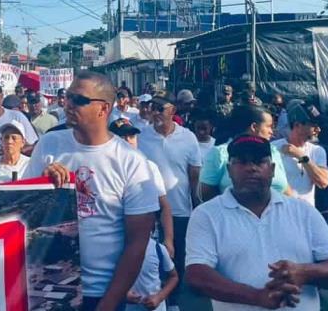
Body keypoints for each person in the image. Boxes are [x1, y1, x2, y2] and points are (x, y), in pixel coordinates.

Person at [24, 71, 160, 311]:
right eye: (67, 97)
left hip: (102, 292)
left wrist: (108, 304)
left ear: (103, 108)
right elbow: (24, 210)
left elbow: (137, 244)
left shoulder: (132, 162)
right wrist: (42, 184)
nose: (68, 104)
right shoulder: (49, 145)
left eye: (79, 100)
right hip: (51, 287)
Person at [185, 135, 328, 310]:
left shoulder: (303, 211)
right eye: (242, 162)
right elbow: (197, 276)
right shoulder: (207, 215)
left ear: (272, 169)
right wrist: (256, 297)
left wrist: (304, 273)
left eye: (259, 161)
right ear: (229, 169)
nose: (251, 168)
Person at [138, 96, 200, 295]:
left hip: (180, 209)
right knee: (152, 260)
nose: (155, 112)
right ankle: (153, 299)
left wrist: (196, 204)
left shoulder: (188, 137)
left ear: (172, 110)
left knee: (176, 258)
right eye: (152, 108)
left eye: (160, 108)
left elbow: (194, 175)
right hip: (151, 211)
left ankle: (172, 302)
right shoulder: (142, 136)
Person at [110, 117, 175, 260]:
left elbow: (164, 207)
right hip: (114, 244)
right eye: (122, 136)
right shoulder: (104, 169)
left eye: (132, 135)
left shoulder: (149, 167)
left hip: (148, 243)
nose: (128, 140)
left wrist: (169, 240)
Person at [199, 105, 293, 202]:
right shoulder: (220, 153)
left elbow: (285, 188)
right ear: (254, 127)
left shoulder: (272, 151)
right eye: (269, 126)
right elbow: (206, 194)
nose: (271, 132)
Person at [272, 101, 328, 207]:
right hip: (280, 211)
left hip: (306, 214)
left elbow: (323, 182)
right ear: (297, 125)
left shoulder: (317, 151)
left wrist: (301, 156)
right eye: (314, 125)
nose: (318, 129)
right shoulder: (274, 148)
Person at [126, 237, 179, 311]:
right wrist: (123, 295)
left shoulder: (158, 249)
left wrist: (159, 297)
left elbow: (173, 277)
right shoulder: (119, 249)